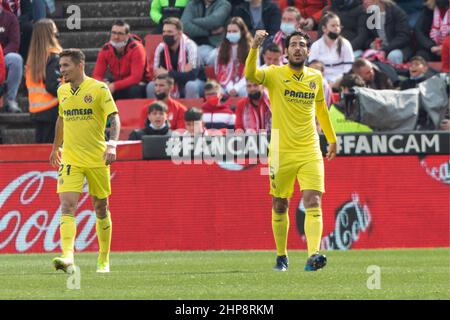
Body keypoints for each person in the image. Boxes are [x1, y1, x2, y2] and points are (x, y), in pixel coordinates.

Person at [245, 30, 337, 271]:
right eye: (293, 44)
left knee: (313, 200)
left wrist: (331, 138)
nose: (297, 48)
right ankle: (281, 255)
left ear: (308, 51)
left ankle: (313, 255)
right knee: (280, 204)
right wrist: (255, 47)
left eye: (302, 44)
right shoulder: (274, 74)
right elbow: (250, 74)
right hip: (280, 152)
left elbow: (321, 111)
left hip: (310, 150)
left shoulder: (316, 78)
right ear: (286, 51)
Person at [49, 48, 121, 274]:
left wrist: (112, 144)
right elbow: (61, 119)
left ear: (80, 66)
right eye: (60, 67)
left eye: (66, 66)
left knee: (101, 207)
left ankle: (103, 258)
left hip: (97, 158)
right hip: (70, 157)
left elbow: (114, 117)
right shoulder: (62, 91)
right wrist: (55, 148)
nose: (62, 70)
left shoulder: (99, 89)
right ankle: (68, 256)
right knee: (67, 205)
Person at [146, 17, 204, 99]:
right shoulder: (161, 48)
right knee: (151, 86)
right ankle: (156, 110)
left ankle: (192, 111)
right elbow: (158, 75)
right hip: (171, 83)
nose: (166, 35)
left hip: (196, 82)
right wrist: (179, 74)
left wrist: (168, 73)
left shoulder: (190, 46)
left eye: (170, 32)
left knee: (191, 86)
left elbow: (192, 76)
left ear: (179, 33)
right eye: (164, 32)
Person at [25, 18, 62, 143]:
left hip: (37, 111)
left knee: (40, 150)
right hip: (52, 110)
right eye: (55, 32)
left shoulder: (32, 60)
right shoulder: (53, 57)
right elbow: (52, 86)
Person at [93, 20, 149, 99]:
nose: (116, 37)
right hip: (119, 82)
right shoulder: (105, 49)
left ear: (127, 35)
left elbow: (136, 78)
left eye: (120, 34)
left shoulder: (137, 48)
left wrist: (114, 86)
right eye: (114, 33)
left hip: (139, 83)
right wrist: (103, 85)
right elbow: (97, 75)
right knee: (98, 88)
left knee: (134, 90)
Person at [181, 0, 232, 66]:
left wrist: (193, 21)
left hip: (215, 47)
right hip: (194, 45)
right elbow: (184, 26)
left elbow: (214, 22)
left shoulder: (224, 4)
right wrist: (210, 32)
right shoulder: (192, 4)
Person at [308, 12, 354, 84]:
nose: (336, 29)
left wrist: (337, 80)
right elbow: (313, 68)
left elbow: (348, 68)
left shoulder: (345, 44)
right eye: (333, 26)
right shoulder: (316, 45)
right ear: (324, 28)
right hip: (321, 80)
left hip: (341, 80)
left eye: (338, 26)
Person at [361, 0, 412, 65]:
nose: (364, 2)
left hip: (399, 48)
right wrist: (372, 44)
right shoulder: (369, 15)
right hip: (380, 49)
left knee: (393, 56)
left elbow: (404, 36)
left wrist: (385, 50)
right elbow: (366, 37)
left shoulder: (396, 12)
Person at [215, 17, 252, 97]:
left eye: (235, 31)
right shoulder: (221, 49)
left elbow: (252, 72)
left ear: (242, 32)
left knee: (244, 92)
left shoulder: (251, 49)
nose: (231, 34)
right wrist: (230, 87)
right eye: (229, 31)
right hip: (226, 84)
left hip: (244, 83)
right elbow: (219, 71)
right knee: (216, 92)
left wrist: (237, 88)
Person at [0, 5, 23, 112]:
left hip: (4, 56)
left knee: (16, 59)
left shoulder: (10, 18)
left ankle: (10, 100)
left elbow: (14, 43)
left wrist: (1, 55)